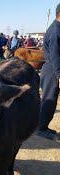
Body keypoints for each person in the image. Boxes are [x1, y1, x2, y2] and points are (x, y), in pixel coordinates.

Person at [38, 3, 60, 140]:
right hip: (52, 69)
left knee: (51, 101)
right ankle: (41, 128)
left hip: (53, 69)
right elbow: (55, 55)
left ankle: (43, 126)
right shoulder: (55, 31)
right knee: (49, 100)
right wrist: (59, 74)